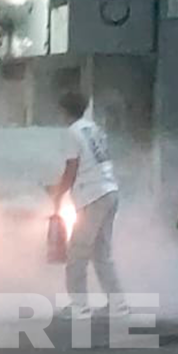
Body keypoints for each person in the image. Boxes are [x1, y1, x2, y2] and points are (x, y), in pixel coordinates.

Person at [47, 90, 127, 320]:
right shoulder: (94, 128)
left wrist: (58, 194)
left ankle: (79, 306)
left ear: (64, 111)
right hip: (110, 190)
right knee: (102, 253)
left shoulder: (72, 133)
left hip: (92, 195)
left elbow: (72, 167)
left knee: (77, 252)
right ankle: (118, 304)